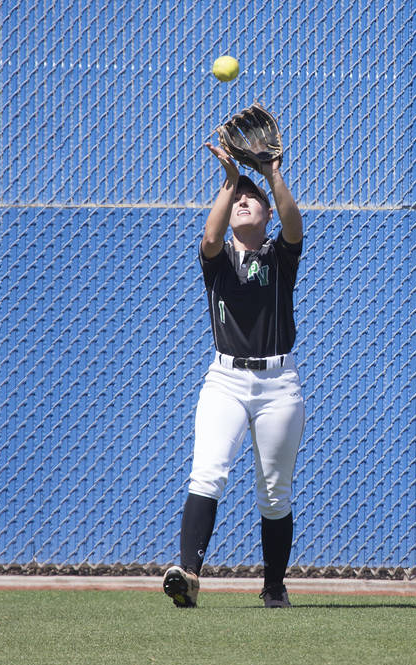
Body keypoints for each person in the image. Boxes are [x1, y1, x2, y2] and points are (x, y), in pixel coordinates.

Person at [162, 141, 305, 609]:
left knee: (274, 493)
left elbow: (294, 224)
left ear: (266, 213)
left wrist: (272, 175)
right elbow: (209, 235)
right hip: (225, 380)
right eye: (237, 196)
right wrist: (229, 179)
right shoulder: (218, 260)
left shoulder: (280, 258)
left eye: (251, 197)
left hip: (278, 384)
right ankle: (188, 576)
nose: (244, 200)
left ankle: (274, 586)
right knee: (207, 473)